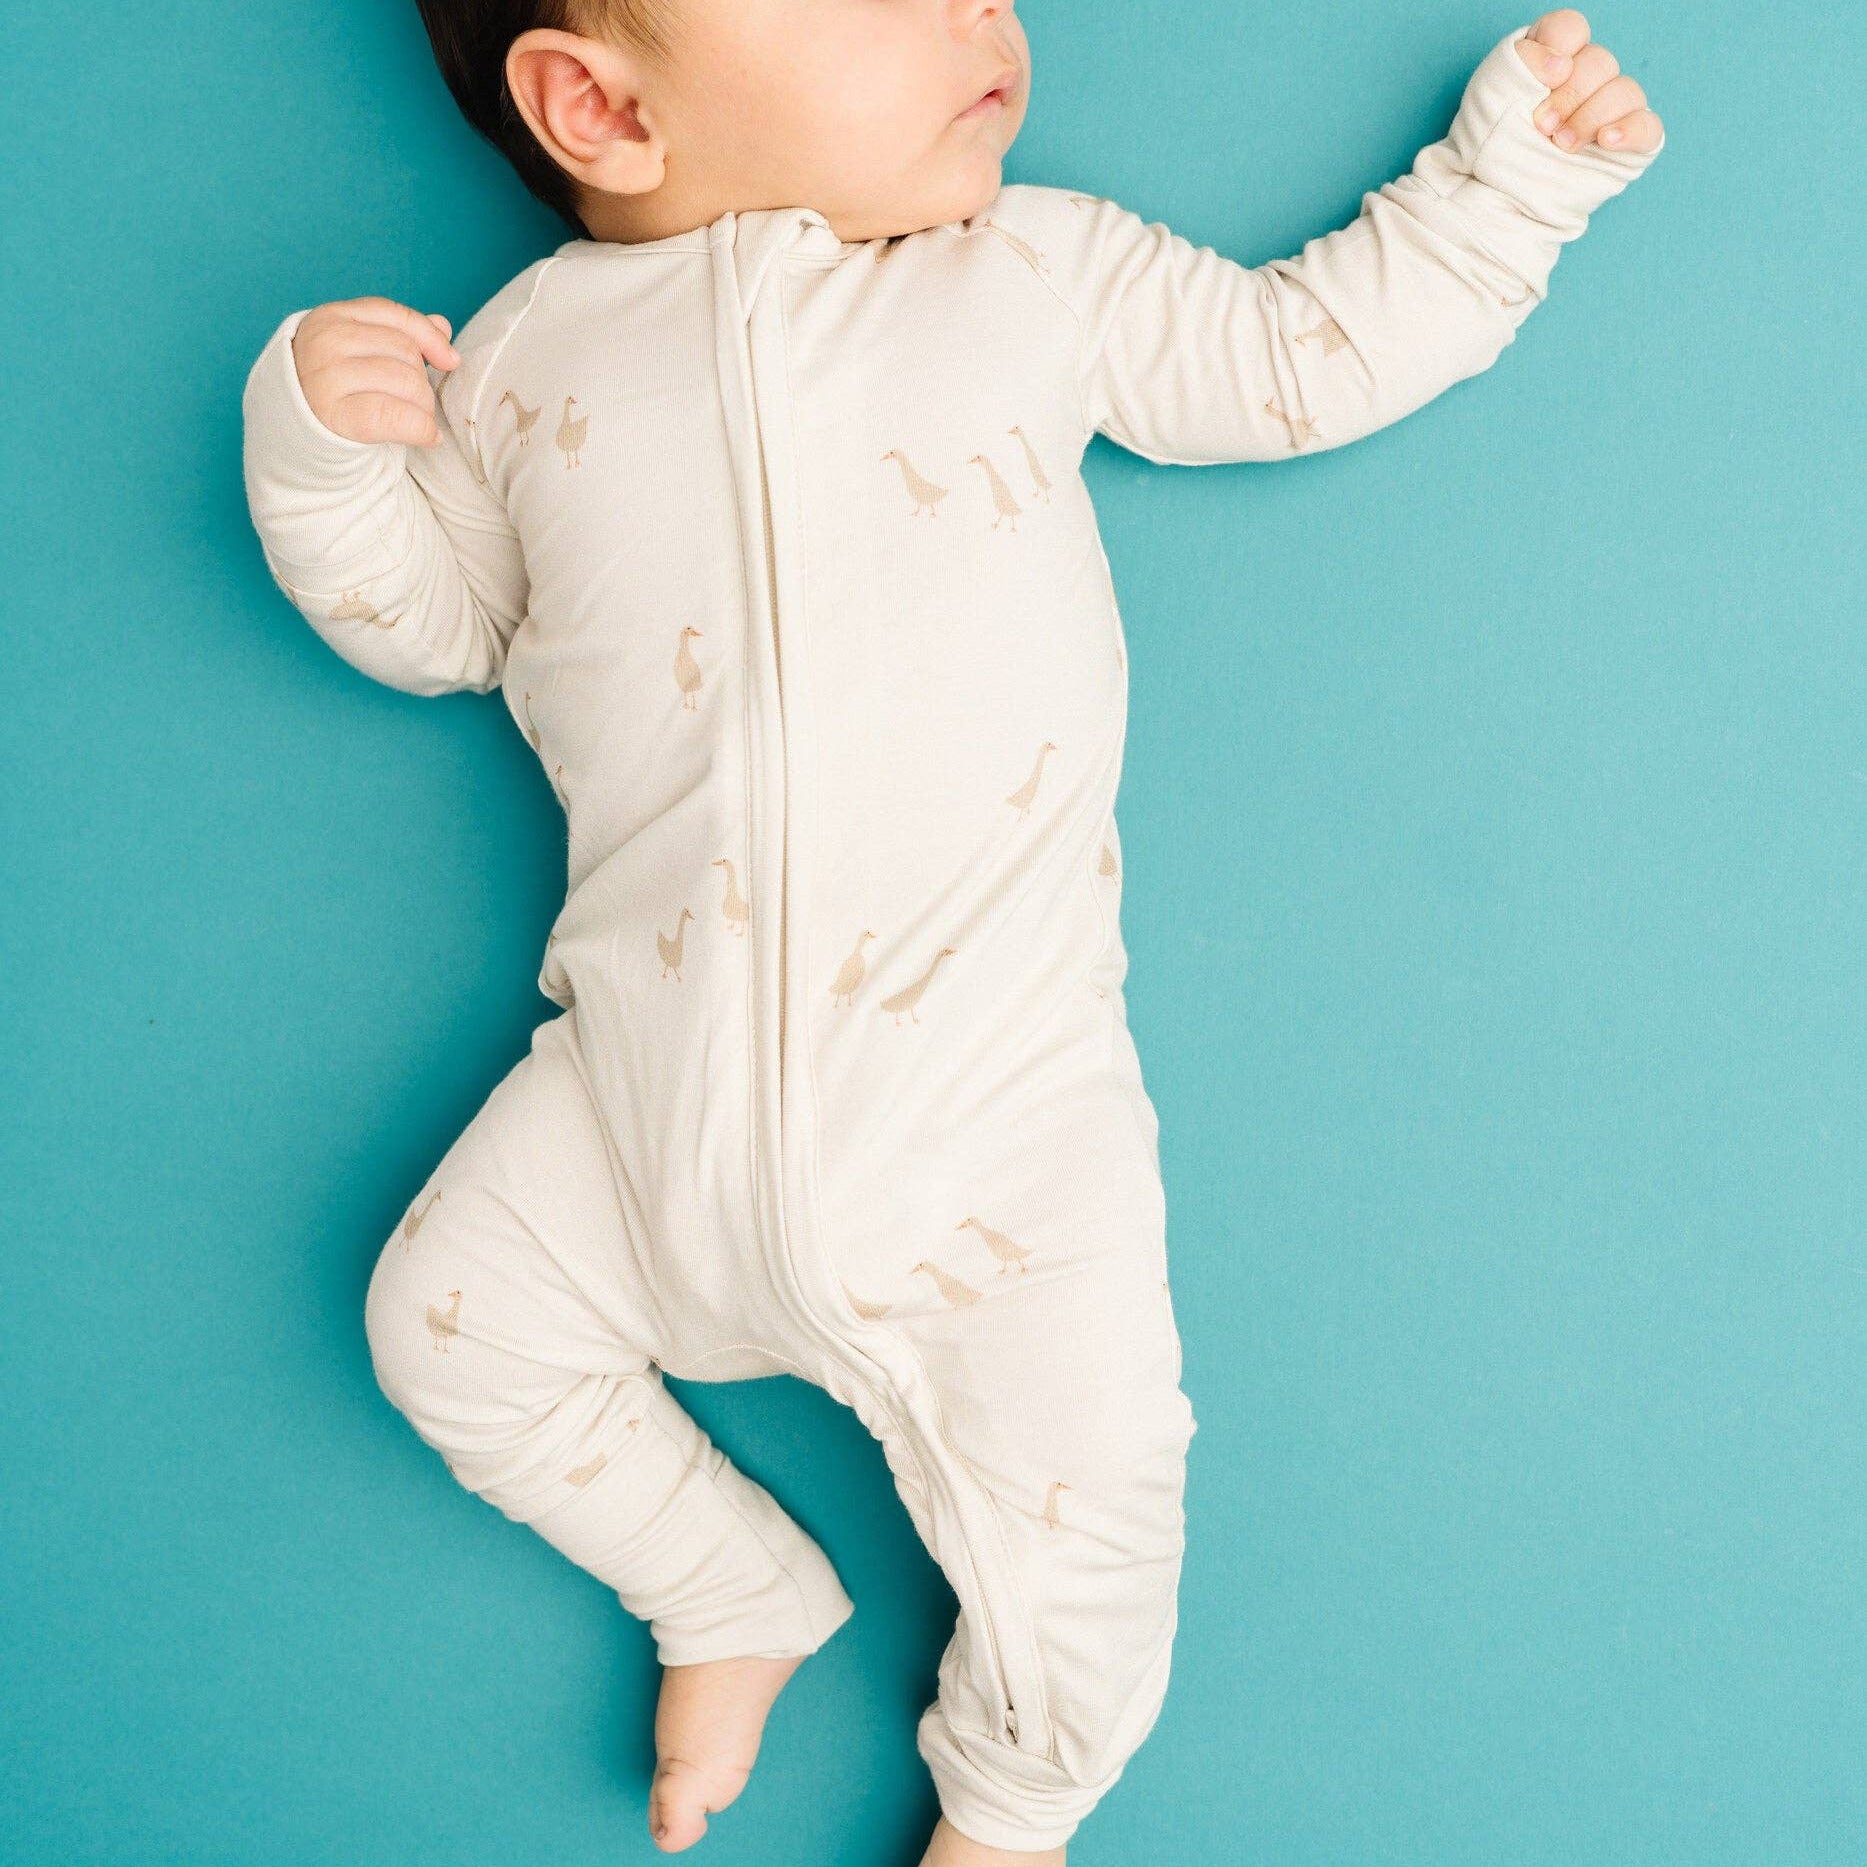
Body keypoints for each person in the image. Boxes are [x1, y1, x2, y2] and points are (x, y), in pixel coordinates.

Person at [239, 5, 1663, 1860]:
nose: (984, 9)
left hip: (994, 1122)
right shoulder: (519, 360)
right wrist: (318, 461)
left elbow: (1297, 356)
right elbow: (438, 624)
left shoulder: (1030, 274)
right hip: (637, 1102)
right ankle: (724, 1584)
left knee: (1101, 1502)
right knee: (448, 1330)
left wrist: (1512, 182)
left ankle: (1010, 1813)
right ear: (599, 103)